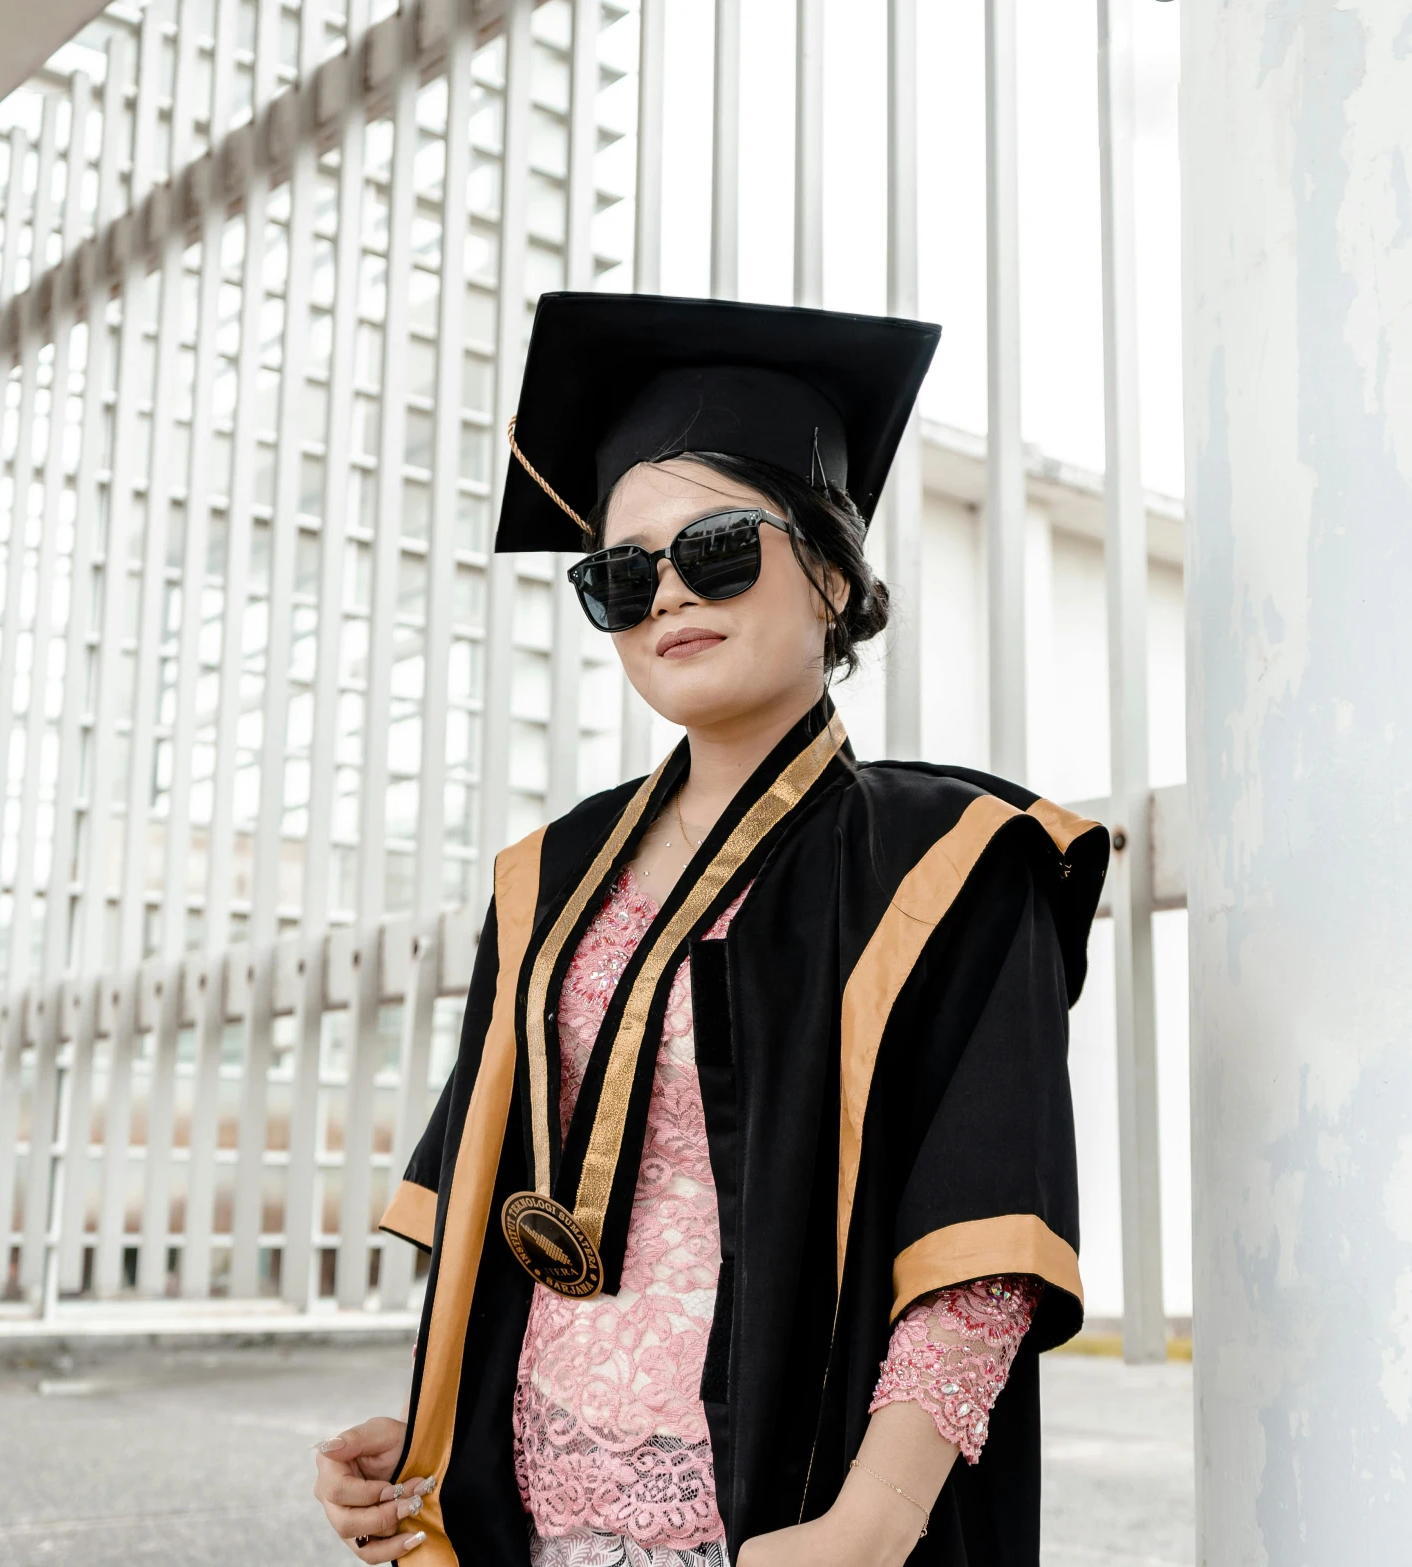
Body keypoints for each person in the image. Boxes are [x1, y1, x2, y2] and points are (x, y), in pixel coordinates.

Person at [310, 292, 1106, 1567]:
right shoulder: (551, 873)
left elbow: (978, 1242)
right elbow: (509, 1208)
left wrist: (873, 1521)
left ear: (834, 569)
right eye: (621, 577)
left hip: (783, 1520)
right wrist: (424, 1438)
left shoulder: (951, 858)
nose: (668, 593)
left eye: (720, 547)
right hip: (540, 1510)